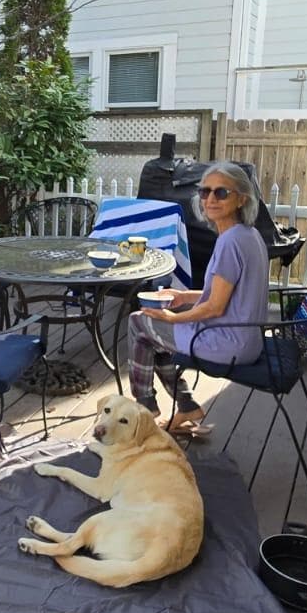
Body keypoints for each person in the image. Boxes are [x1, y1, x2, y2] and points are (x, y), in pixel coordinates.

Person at [124, 160, 269, 436]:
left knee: (139, 322)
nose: (210, 199)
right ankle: (187, 405)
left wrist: (173, 317)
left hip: (226, 343)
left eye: (221, 192)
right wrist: (183, 296)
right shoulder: (249, 236)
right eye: (205, 191)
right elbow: (228, 295)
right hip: (247, 339)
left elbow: (214, 307)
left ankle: (145, 408)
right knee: (155, 331)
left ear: (242, 199)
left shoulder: (230, 242)